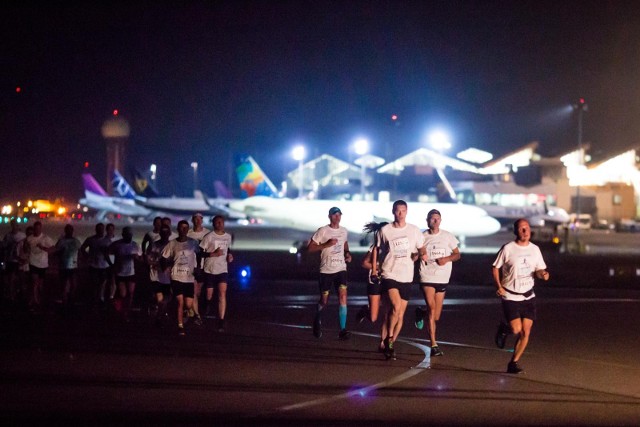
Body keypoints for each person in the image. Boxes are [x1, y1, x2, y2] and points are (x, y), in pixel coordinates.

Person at [492, 218, 550, 374]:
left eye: (527, 228)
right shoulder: (508, 248)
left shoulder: (535, 249)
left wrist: (542, 274)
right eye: (521, 229)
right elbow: (495, 268)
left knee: (526, 332)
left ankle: (513, 363)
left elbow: (539, 269)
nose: (525, 231)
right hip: (510, 295)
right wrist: (499, 286)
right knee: (516, 330)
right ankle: (504, 329)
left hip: (528, 296)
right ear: (516, 231)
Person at [371, 200, 427, 360]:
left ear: (407, 211)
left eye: (403, 210)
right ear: (393, 212)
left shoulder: (414, 231)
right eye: (397, 211)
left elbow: (421, 248)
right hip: (389, 273)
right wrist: (375, 270)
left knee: (399, 314)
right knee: (395, 307)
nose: (400, 213)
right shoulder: (385, 230)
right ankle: (388, 340)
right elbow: (376, 249)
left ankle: (390, 343)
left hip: (406, 276)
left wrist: (419, 254)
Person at [414, 209, 461, 357]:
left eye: (437, 219)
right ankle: (434, 344)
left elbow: (457, 254)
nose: (435, 221)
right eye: (432, 218)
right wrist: (419, 255)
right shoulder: (421, 236)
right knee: (432, 308)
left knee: (436, 316)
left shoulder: (448, 236)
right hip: (427, 276)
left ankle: (421, 312)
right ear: (427, 220)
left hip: (442, 277)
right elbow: (414, 254)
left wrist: (446, 259)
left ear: (441, 220)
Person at [307, 206, 352, 340]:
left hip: (341, 269)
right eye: (334, 215)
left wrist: (348, 254)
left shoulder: (344, 231)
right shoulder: (323, 231)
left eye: (339, 215)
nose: (337, 217)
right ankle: (317, 318)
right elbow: (310, 248)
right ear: (329, 216)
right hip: (326, 270)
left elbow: (345, 244)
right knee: (324, 300)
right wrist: (326, 245)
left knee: (343, 297)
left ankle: (343, 329)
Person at [161, 220, 200, 336]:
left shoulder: (193, 243)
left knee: (188, 304)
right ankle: (180, 326)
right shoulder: (172, 244)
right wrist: (165, 268)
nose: (183, 230)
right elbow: (163, 257)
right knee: (180, 302)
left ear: (188, 229)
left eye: (186, 228)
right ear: (178, 229)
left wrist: (199, 268)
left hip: (188, 277)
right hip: (176, 276)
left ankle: (188, 312)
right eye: (181, 227)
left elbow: (200, 254)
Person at [357, 221, 389, 352]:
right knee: (374, 318)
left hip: (388, 282)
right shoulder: (375, 247)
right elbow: (364, 263)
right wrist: (378, 267)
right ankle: (366, 311)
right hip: (374, 282)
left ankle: (383, 343)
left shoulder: (393, 246)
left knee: (388, 314)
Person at [200, 215, 233, 332]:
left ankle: (221, 321)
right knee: (209, 295)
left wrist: (230, 256)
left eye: (221, 222)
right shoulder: (209, 237)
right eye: (217, 222)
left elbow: (228, 250)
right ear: (213, 224)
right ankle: (206, 306)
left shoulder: (228, 237)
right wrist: (212, 254)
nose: (219, 224)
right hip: (210, 269)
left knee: (222, 294)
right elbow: (199, 253)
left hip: (222, 270)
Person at [108, 226, 142, 321]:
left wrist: (137, 258)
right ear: (123, 235)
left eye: (130, 235)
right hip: (120, 273)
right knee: (123, 294)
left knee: (130, 294)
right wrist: (112, 265)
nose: (129, 237)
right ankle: (121, 309)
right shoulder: (117, 244)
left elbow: (140, 257)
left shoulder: (135, 245)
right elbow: (107, 253)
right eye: (127, 235)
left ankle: (127, 311)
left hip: (131, 273)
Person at [25, 221, 55, 311]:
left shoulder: (46, 238)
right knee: (34, 282)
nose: (37, 230)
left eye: (39, 228)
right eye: (35, 228)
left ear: (41, 228)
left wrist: (43, 248)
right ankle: (35, 300)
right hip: (33, 262)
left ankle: (39, 298)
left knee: (40, 284)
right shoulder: (29, 238)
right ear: (34, 229)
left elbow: (52, 249)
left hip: (42, 263)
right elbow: (26, 248)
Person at [146, 224, 172, 327]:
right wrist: (154, 263)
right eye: (163, 232)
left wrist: (168, 265)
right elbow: (147, 259)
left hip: (167, 277)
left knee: (166, 299)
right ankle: (159, 318)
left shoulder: (172, 245)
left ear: (169, 234)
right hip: (156, 276)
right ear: (160, 233)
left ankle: (159, 314)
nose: (165, 235)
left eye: (166, 232)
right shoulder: (154, 245)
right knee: (160, 298)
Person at [79, 223, 110, 306]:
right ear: (96, 230)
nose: (100, 231)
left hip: (104, 265)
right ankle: (95, 298)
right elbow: (82, 248)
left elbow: (111, 251)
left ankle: (100, 297)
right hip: (94, 265)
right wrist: (87, 256)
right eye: (99, 229)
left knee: (102, 282)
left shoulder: (107, 240)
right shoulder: (90, 239)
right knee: (94, 283)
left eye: (102, 229)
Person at [187, 213, 209, 326]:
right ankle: (196, 315)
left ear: (202, 220)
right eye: (195, 218)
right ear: (192, 220)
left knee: (199, 292)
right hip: (192, 266)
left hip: (204, 266)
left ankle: (193, 309)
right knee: (194, 291)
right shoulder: (188, 233)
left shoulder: (207, 233)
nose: (197, 221)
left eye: (199, 218)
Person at [55, 224, 82, 308]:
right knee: (63, 284)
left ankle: (71, 299)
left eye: (70, 230)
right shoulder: (61, 241)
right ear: (65, 231)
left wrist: (80, 261)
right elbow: (56, 252)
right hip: (63, 266)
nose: (69, 231)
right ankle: (65, 300)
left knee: (73, 284)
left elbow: (80, 252)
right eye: (68, 230)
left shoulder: (76, 241)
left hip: (73, 266)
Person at [2, 220, 26, 304]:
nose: (14, 227)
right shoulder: (8, 236)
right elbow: (4, 247)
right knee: (11, 279)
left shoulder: (23, 236)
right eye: (13, 225)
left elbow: (26, 247)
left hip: (19, 260)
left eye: (16, 225)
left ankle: (20, 294)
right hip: (11, 260)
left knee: (21, 278)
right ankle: (12, 296)